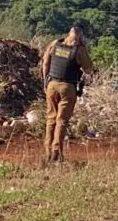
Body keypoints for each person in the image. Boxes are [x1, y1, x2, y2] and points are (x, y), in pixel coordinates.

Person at [41, 25, 95, 162]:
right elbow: (89, 69)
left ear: (68, 34)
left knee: (50, 118)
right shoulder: (79, 50)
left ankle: (47, 151)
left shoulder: (55, 44)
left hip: (51, 85)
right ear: (80, 37)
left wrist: (45, 81)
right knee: (62, 120)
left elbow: (45, 63)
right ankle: (56, 152)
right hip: (68, 87)